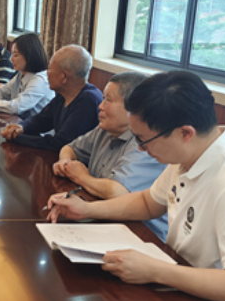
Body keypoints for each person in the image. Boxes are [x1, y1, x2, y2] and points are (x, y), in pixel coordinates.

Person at [46, 71, 225, 301]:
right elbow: (148, 202)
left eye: (143, 140)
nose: (140, 148)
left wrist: (156, 270)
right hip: (183, 287)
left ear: (185, 133)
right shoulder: (188, 155)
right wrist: (87, 209)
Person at [53, 71, 168, 240]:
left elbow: (118, 192)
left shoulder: (146, 143)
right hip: (107, 220)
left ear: (133, 109)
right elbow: (70, 147)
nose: (100, 106)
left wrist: (81, 177)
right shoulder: (105, 129)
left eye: (108, 100)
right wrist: (65, 161)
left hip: (142, 234)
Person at [1, 44, 102, 152]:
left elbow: (61, 143)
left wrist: (17, 138)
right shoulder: (63, 94)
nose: (46, 73)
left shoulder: (88, 101)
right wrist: (21, 127)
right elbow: (41, 120)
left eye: (49, 69)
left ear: (64, 76)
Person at [0, 32, 54, 119]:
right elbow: (2, 91)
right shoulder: (20, 74)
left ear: (29, 56)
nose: (11, 59)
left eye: (15, 55)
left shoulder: (40, 80)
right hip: (20, 123)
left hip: (34, 127)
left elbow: (17, 106)